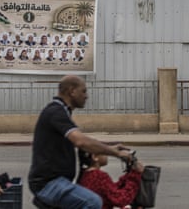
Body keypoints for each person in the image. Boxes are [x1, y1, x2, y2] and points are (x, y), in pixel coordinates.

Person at [28, 75, 132, 209]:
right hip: (48, 184)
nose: (86, 96)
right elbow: (81, 141)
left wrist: (108, 147)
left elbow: (83, 142)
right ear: (72, 91)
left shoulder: (62, 112)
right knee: (93, 202)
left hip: (57, 182)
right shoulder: (56, 112)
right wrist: (114, 152)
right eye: (83, 91)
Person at [77, 149, 144, 209]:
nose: (107, 155)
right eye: (104, 152)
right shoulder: (99, 176)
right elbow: (121, 199)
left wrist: (128, 176)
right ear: (95, 157)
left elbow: (110, 190)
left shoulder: (86, 174)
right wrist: (135, 176)